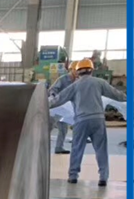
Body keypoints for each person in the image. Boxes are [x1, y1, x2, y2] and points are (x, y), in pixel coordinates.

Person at [49, 58, 126, 186]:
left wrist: (44, 104)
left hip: (81, 121)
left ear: (77, 72)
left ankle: (73, 176)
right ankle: (103, 177)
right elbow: (117, 95)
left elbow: (58, 99)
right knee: (101, 149)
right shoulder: (100, 82)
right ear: (92, 70)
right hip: (98, 120)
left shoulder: (74, 86)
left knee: (77, 149)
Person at [48, 61, 76, 155]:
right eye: (76, 70)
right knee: (49, 128)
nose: (78, 73)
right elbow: (53, 90)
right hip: (57, 107)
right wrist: (54, 98)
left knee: (63, 129)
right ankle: (40, 146)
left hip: (67, 109)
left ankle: (59, 148)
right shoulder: (63, 79)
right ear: (71, 70)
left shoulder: (78, 81)